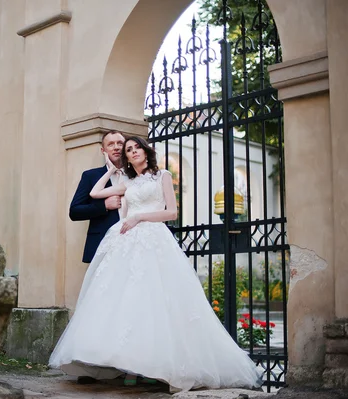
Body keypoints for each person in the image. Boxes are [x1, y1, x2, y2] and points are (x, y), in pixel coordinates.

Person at [49, 136, 262, 392]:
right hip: (127, 243)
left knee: (157, 301)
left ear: (145, 150)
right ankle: (131, 366)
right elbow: (95, 193)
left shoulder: (162, 175)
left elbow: (171, 213)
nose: (132, 151)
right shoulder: (127, 181)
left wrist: (139, 216)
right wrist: (110, 169)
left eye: (136, 147)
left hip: (154, 239)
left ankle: (158, 369)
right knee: (128, 302)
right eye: (128, 150)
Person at [69, 130, 127, 264]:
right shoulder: (91, 176)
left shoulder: (136, 176)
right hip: (102, 242)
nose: (116, 147)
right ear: (103, 150)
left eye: (120, 143)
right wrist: (104, 206)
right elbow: (74, 211)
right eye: (111, 144)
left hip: (132, 242)